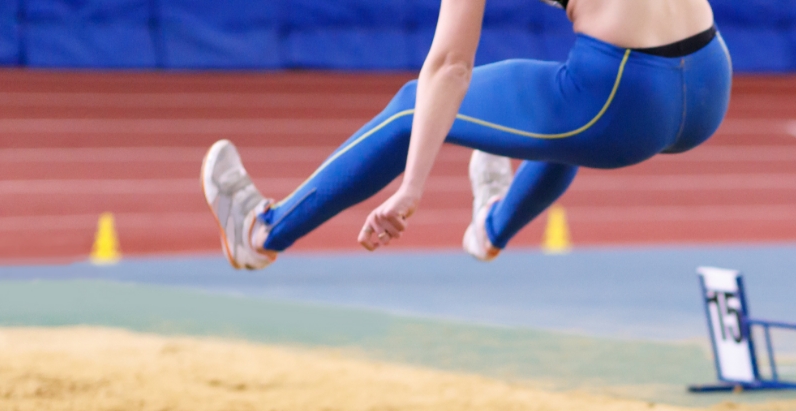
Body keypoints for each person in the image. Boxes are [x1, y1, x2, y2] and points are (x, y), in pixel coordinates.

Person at [202, 0, 730, 269]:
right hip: (710, 81)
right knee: (560, 101)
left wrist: (410, 188)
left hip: (621, 104)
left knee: (415, 104)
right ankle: (490, 229)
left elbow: (450, 68)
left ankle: (261, 234)